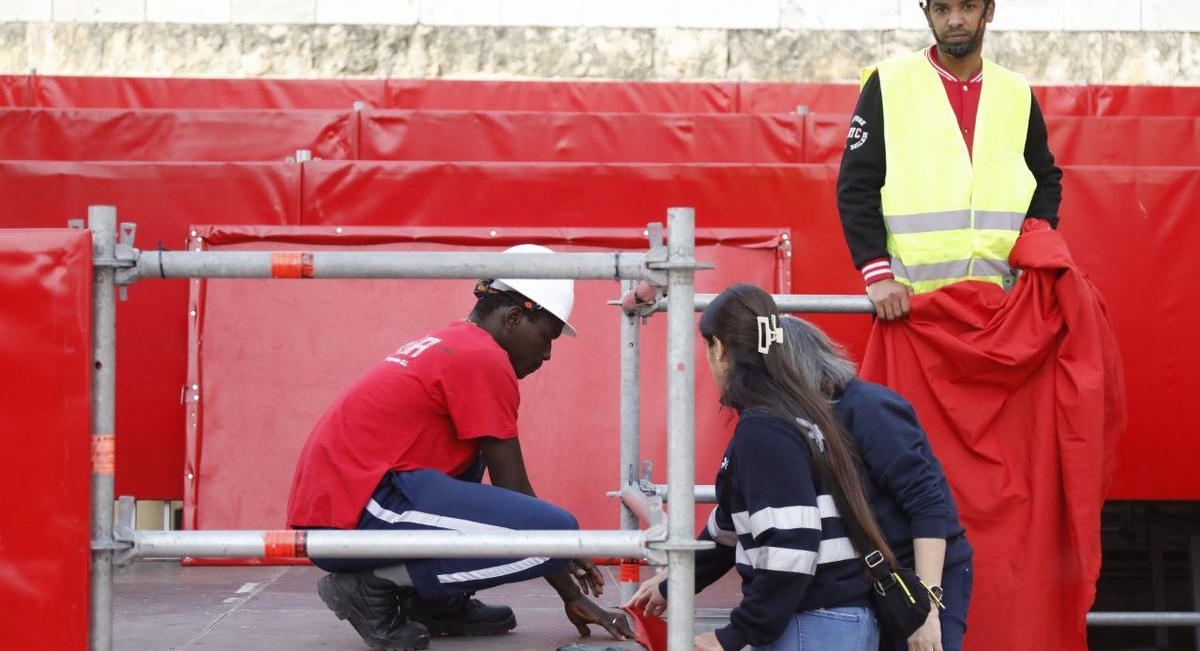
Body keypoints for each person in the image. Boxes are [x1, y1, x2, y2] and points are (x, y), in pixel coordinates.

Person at [286, 244, 634, 651]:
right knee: (558, 531)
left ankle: (433, 603)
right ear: (514, 317)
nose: (546, 354)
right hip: (353, 516)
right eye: (546, 337)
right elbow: (514, 488)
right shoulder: (482, 358)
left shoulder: (457, 342)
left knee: (473, 461)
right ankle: (372, 586)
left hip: (352, 506)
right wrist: (566, 571)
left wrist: (559, 561)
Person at [627, 283, 897, 651]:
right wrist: (672, 584)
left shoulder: (764, 430)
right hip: (831, 621)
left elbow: (791, 548)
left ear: (719, 348)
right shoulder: (795, 415)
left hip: (813, 625)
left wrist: (732, 636)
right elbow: (729, 528)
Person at [836, 0, 1063, 321]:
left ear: (989, 10)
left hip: (1002, 306)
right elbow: (856, 185)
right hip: (911, 305)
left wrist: (1036, 247)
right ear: (927, 14)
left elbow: (1045, 179)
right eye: (942, 9)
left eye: (968, 6)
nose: (955, 20)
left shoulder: (1016, 90)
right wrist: (877, 274)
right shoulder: (889, 83)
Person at [779, 315, 973, 651]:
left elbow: (926, 503)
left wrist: (926, 607)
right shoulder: (806, 421)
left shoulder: (868, 408)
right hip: (875, 578)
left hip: (917, 571)